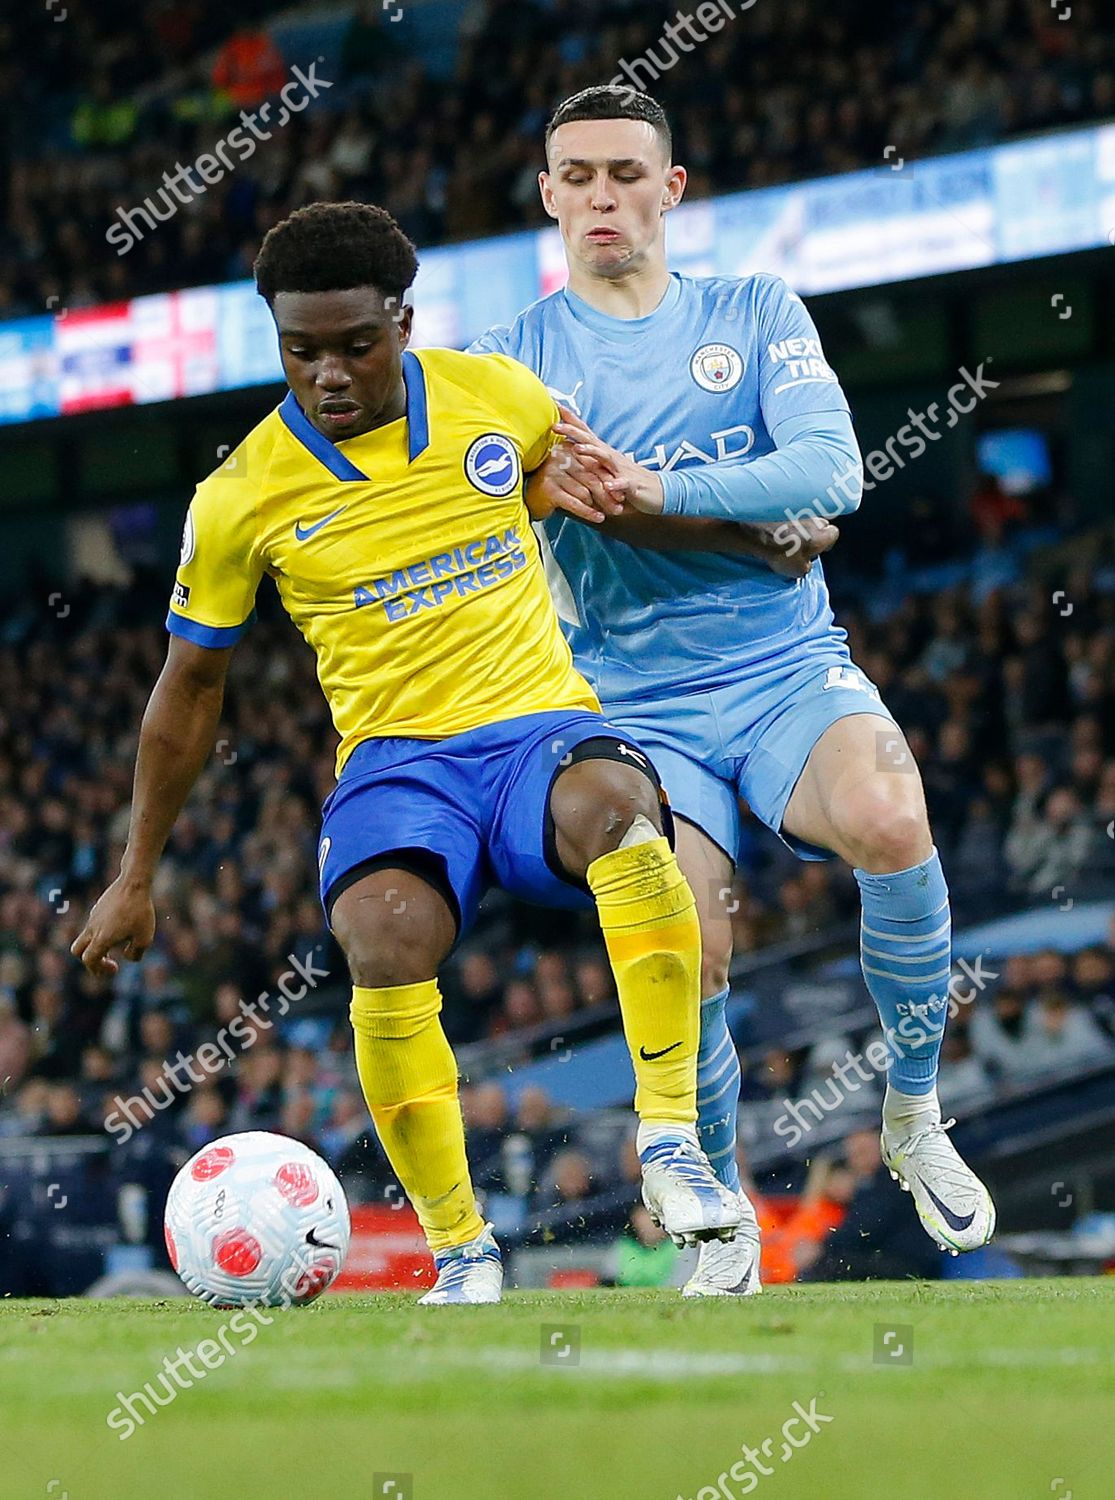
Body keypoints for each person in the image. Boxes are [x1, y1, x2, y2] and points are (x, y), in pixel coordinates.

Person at [71, 200, 743, 1305]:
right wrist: (136, 872)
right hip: (397, 764)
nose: (328, 374)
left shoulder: (499, 398)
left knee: (622, 811)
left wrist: (718, 527)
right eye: (301, 352)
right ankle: (463, 1252)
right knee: (378, 936)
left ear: (403, 320)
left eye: (355, 345)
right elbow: (188, 689)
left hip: (539, 727)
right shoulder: (239, 499)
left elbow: (563, 485)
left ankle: (668, 1145)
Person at [471, 86, 995, 1294]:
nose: (602, 196)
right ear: (548, 196)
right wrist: (751, 523)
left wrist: (651, 494)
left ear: (671, 189)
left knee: (891, 818)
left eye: (625, 173)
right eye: (578, 176)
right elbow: (560, 503)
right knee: (692, 938)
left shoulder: (755, 311)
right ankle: (715, 1217)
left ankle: (913, 1116)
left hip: (782, 669)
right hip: (627, 698)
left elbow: (832, 470)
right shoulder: (507, 362)